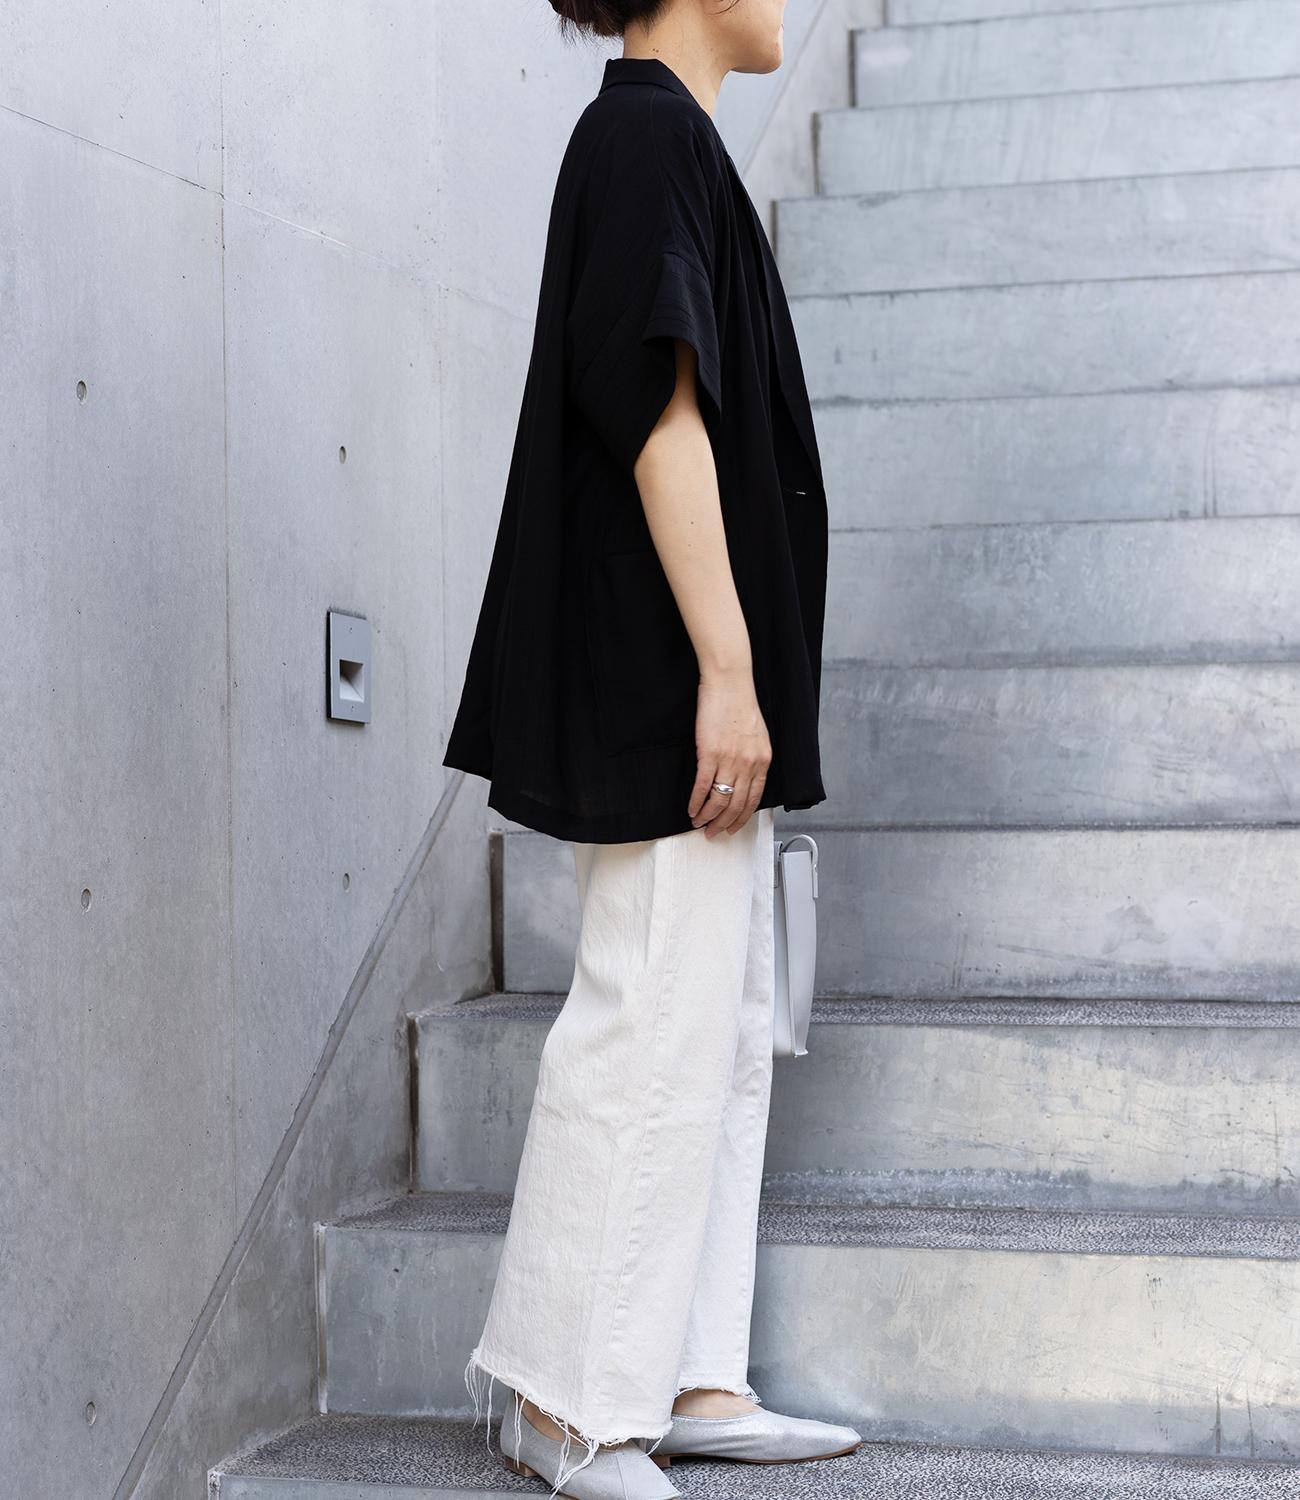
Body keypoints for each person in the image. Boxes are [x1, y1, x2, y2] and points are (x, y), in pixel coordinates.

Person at [442, 2, 858, 1496]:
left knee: (721, 1023)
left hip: (693, 678)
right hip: (667, 678)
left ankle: (688, 1369)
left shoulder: (672, 141)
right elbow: (655, 420)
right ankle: (562, 1397)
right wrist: (728, 671)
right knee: (652, 1009)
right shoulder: (641, 139)